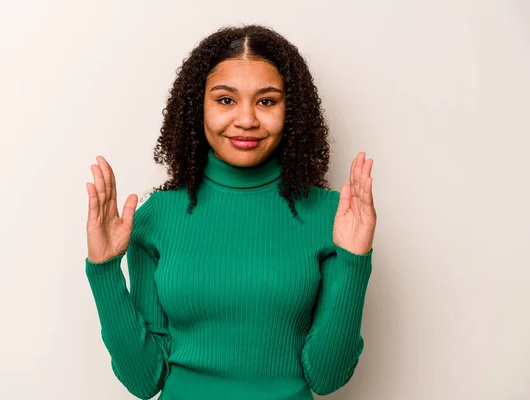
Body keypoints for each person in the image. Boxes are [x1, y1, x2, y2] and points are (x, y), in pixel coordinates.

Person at [84, 24, 376, 400]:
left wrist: (355, 262)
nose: (247, 119)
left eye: (267, 101)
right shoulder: (157, 216)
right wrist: (104, 270)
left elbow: (327, 377)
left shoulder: (332, 216)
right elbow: (144, 380)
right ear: (197, 108)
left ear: (292, 111)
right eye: (225, 100)